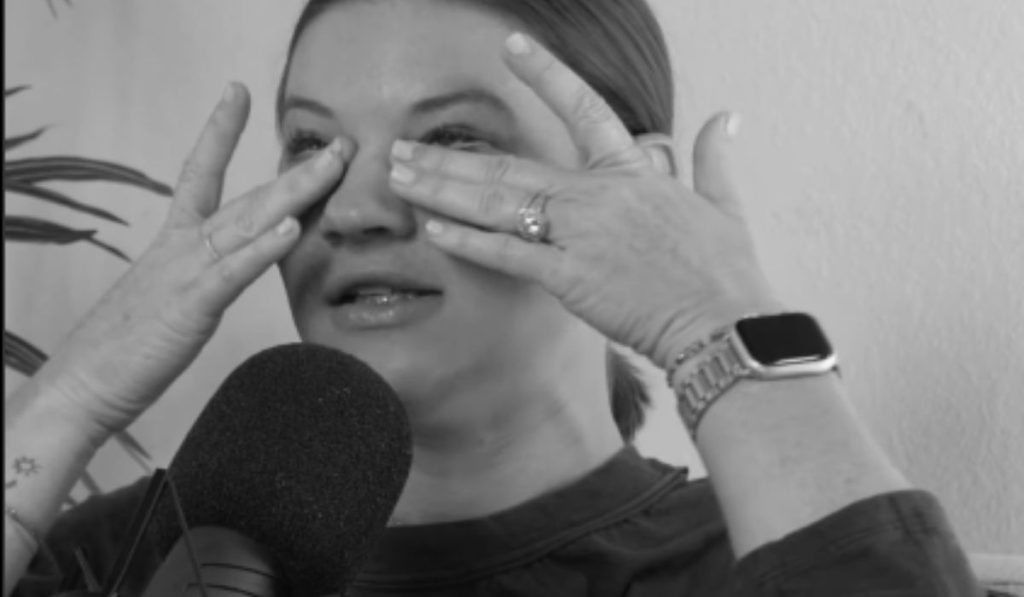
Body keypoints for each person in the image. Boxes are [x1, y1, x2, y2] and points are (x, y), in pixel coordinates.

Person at [4, 0, 987, 595]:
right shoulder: (121, 554)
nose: (353, 209)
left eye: (453, 141)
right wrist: (72, 396)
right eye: (311, 146)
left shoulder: (760, 561)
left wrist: (712, 318)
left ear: (633, 195)